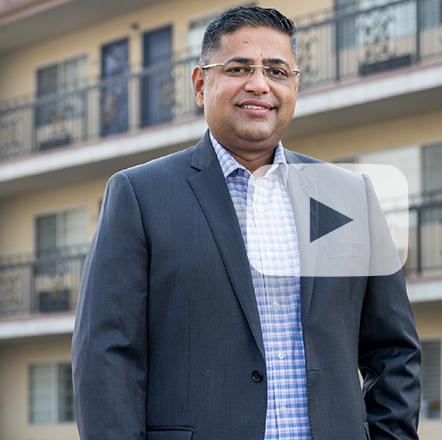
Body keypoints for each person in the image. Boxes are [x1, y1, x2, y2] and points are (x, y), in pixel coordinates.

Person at [72, 6, 421, 440]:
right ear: (201, 85)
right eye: (239, 68)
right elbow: (106, 356)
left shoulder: (351, 197)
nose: (259, 84)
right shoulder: (139, 195)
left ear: (294, 86)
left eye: (277, 71)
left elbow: (393, 351)